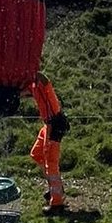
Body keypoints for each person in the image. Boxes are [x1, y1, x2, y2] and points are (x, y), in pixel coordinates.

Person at [26, 73, 68, 209]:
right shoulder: (32, 85)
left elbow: (45, 79)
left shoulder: (44, 84)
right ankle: (56, 188)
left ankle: (57, 201)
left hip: (55, 125)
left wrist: (31, 70)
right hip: (47, 125)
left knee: (51, 163)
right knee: (36, 154)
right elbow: (23, 92)